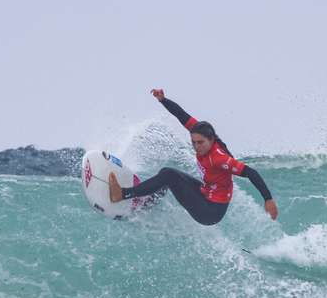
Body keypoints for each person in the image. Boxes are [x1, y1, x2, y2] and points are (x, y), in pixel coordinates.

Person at [108, 89, 278, 226]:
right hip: (205, 194)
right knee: (167, 173)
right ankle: (146, 205)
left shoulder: (218, 158)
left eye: (200, 143)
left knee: (169, 176)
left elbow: (250, 172)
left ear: (211, 140)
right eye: (193, 142)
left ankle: (122, 194)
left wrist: (268, 199)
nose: (196, 147)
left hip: (210, 212)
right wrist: (163, 100)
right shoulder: (202, 134)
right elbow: (182, 115)